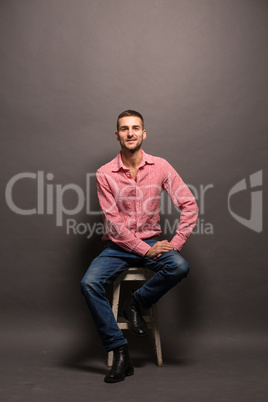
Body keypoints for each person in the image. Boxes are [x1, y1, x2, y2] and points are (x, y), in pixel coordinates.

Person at [81, 110, 199, 383]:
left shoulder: (160, 166)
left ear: (144, 133)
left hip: (151, 240)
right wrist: (144, 250)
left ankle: (136, 302)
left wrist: (175, 243)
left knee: (179, 266)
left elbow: (189, 205)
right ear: (117, 135)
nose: (130, 133)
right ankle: (120, 352)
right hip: (118, 246)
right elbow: (114, 224)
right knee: (89, 283)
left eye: (135, 128)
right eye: (124, 129)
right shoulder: (105, 173)